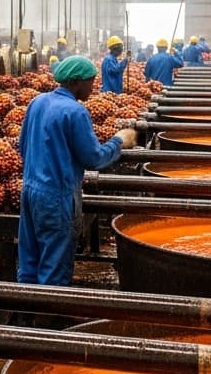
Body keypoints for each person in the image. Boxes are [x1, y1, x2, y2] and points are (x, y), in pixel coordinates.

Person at [17, 56, 137, 287]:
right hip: (57, 197)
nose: (93, 87)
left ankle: (26, 313)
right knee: (55, 264)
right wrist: (119, 142)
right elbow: (93, 158)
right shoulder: (75, 112)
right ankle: (51, 319)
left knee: (29, 259)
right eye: (91, 82)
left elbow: (23, 146)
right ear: (76, 82)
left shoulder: (38, 102)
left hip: (30, 191)